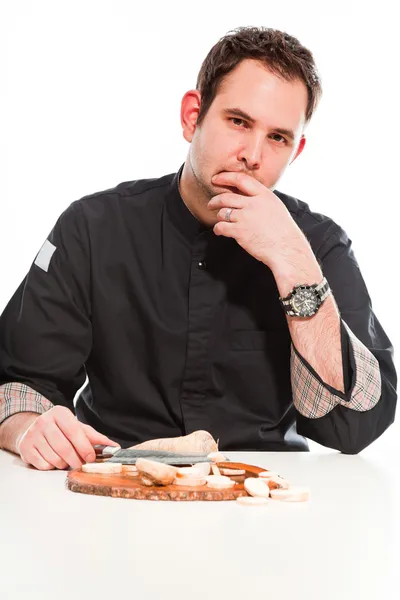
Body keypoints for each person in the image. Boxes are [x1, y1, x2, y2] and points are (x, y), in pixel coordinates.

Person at [0, 27, 397, 471]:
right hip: (114, 490)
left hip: (260, 501)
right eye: (239, 122)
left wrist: (293, 265)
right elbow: (18, 378)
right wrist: (28, 425)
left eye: (278, 138)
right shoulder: (94, 228)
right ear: (193, 116)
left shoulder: (318, 246)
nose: (252, 154)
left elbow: (356, 425)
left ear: (296, 151)